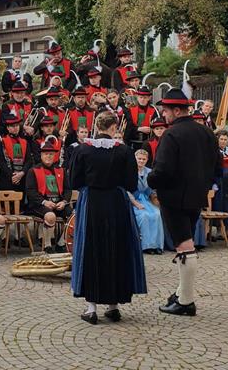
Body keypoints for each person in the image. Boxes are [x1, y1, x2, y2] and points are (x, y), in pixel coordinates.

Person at [148, 88, 219, 317]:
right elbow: (217, 168)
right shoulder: (206, 132)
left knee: (184, 246)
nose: (164, 115)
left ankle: (186, 301)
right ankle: (181, 293)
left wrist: (150, 179)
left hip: (174, 197)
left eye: (166, 111)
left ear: (177, 110)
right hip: (197, 196)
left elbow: (163, 170)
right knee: (185, 243)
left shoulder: (171, 135)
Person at [70, 111, 145, 324]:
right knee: (116, 248)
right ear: (113, 128)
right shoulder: (124, 151)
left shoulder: (83, 149)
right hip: (117, 203)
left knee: (91, 248)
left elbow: (74, 181)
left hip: (92, 202)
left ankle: (91, 308)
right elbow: (131, 183)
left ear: (96, 126)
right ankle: (113, 306)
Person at [26, 139, 72, 252]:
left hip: (58, 204)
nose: (48, 156)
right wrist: (45, 202)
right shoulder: (33, 170)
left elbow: (67, 190)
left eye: (51, 154)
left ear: (55, 156)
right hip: (40, 205)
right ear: (41, 155)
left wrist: (64, 201)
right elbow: (30, 192)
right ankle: (47, 245)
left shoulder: (61, 170)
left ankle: (61, 243)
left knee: (74, 217)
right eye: (46, 154)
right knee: (50, 216)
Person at [129, 149, 165, 254]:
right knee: (144, 216)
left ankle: (157, 245)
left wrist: (155, 199)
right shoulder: (129, 171)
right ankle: (146, 246)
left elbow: (152, 189)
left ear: (147, 160)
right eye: (139, 158)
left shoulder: (149, 172)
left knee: (156, 214)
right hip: (133, 200)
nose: (141, 161)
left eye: (143, 159)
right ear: (134, 159)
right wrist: (136, 203)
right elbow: (126, 190)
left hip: (146, 199)